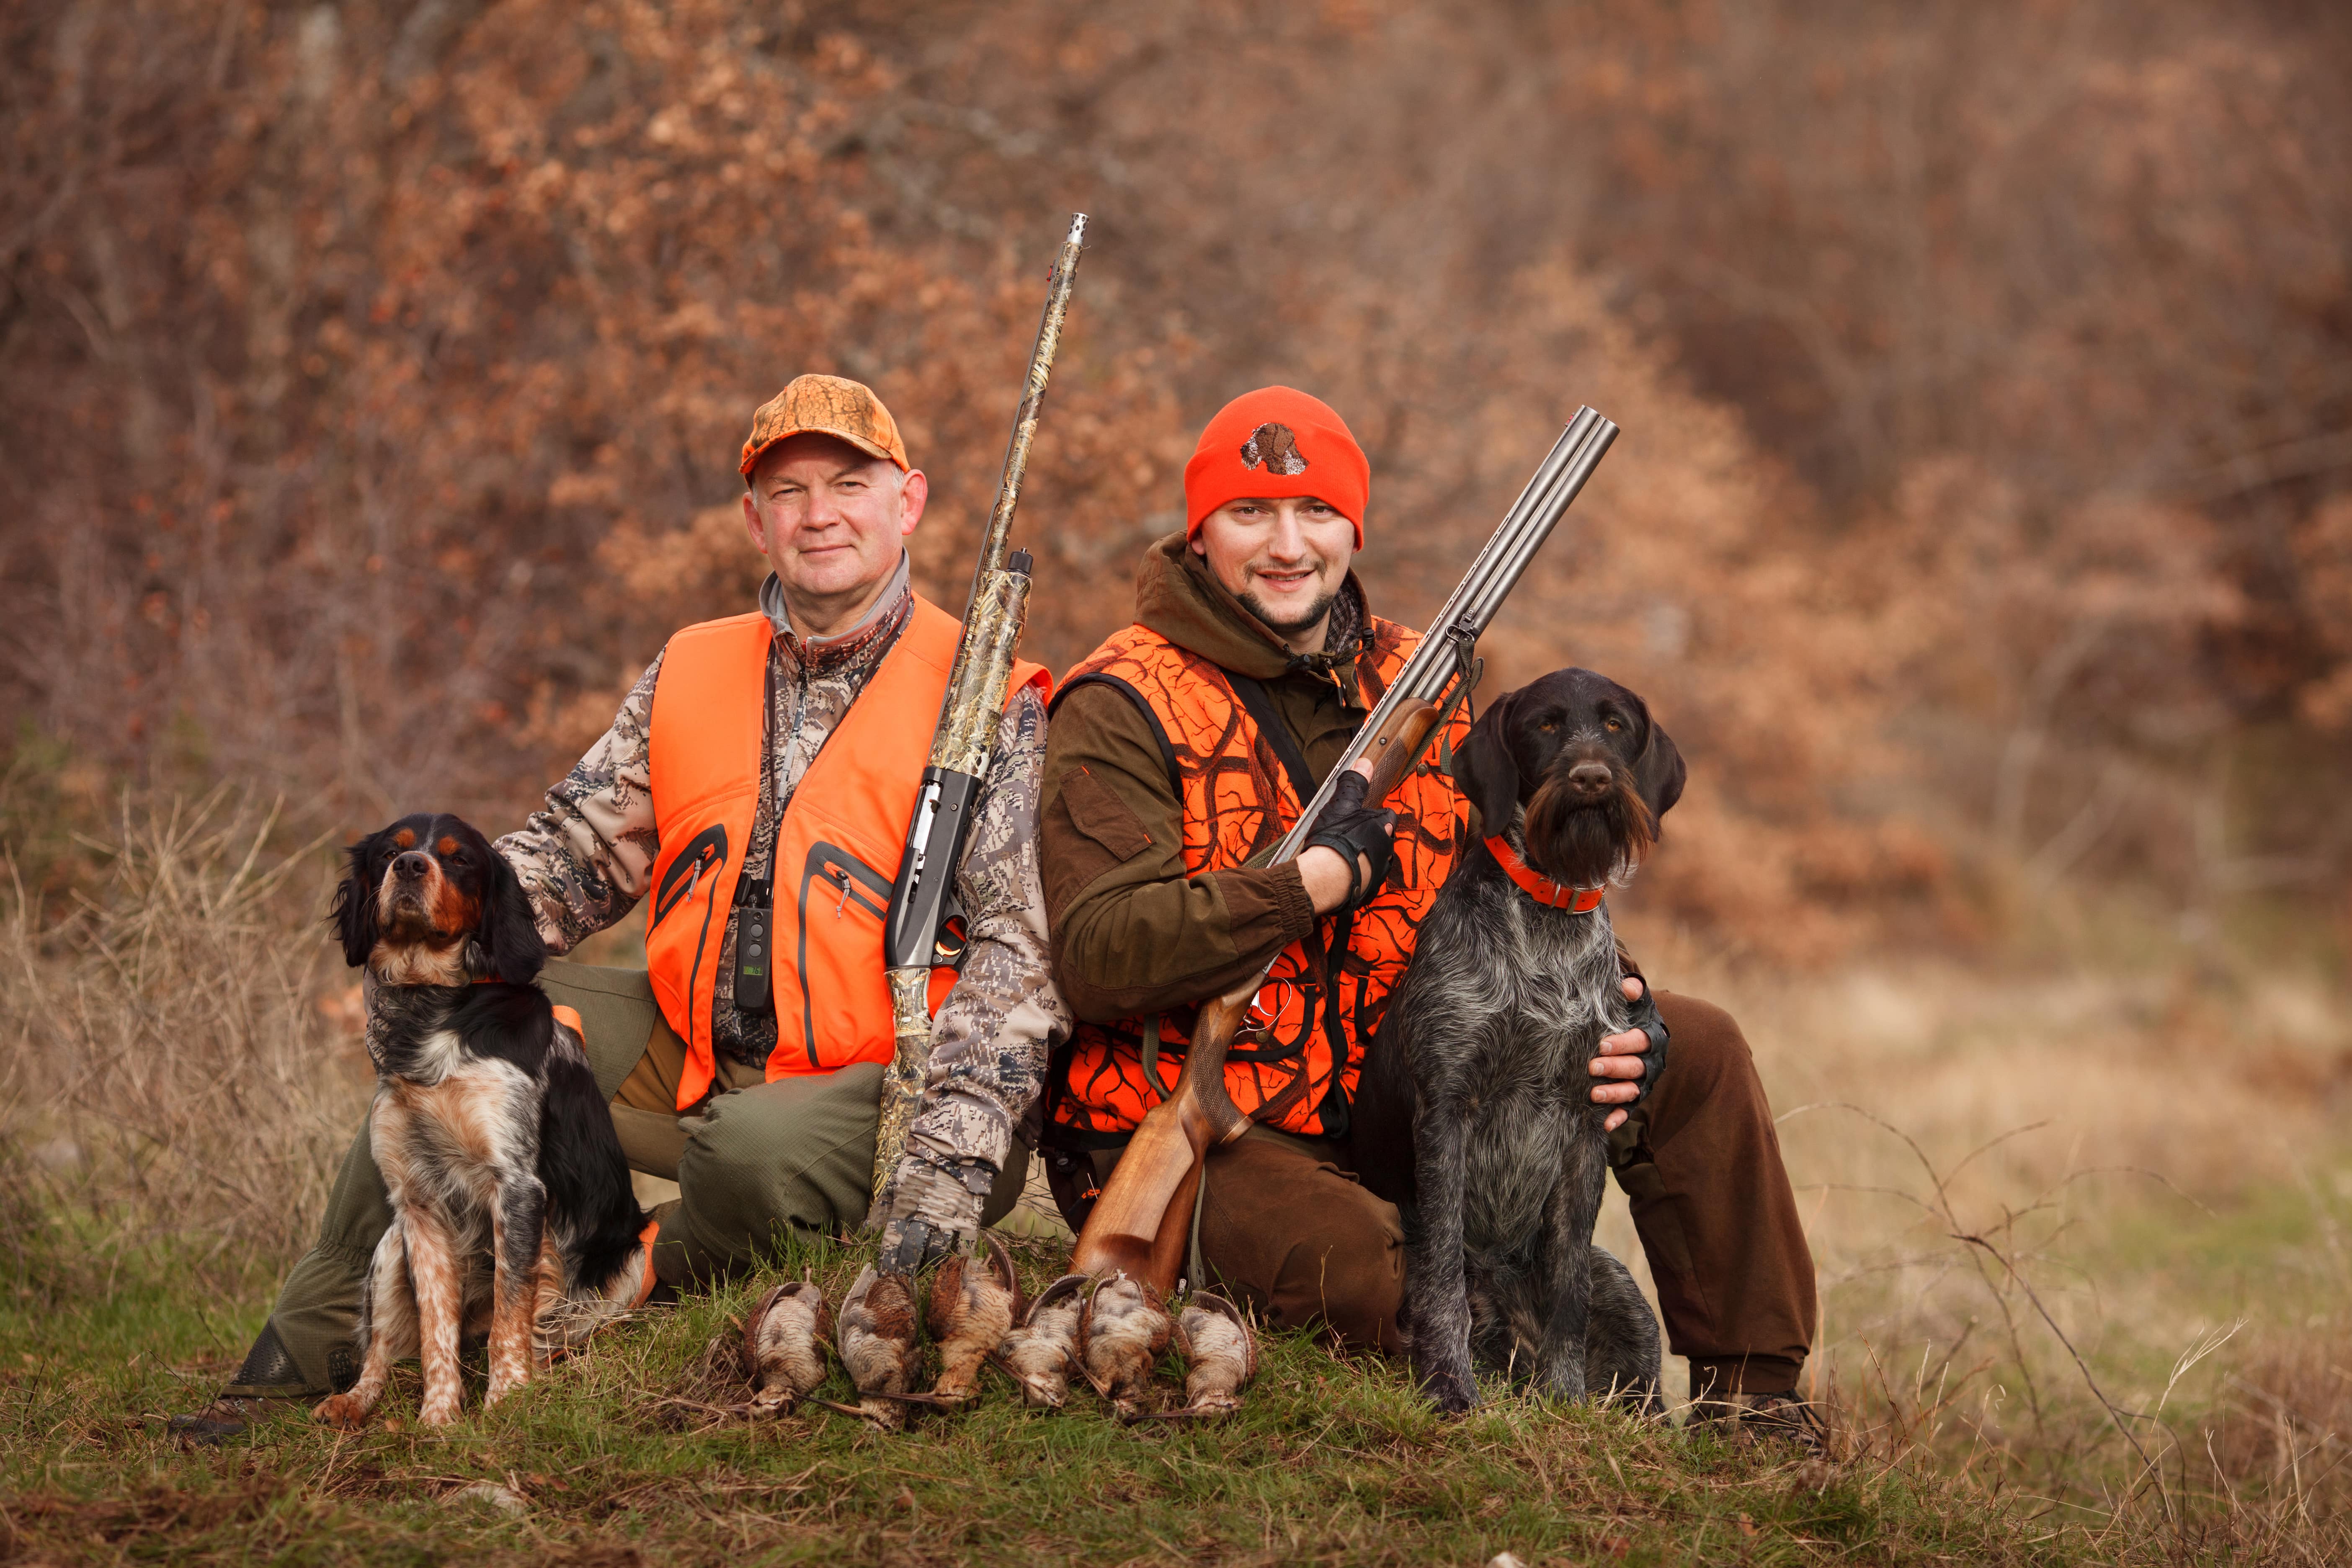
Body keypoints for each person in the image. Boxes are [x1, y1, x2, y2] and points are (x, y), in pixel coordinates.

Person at [175, 375, 1065, 1439]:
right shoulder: (691, 667)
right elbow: (572, 851)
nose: (818, 513)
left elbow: (1019, 956)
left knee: (746, 1156)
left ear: (908, 501)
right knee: (442, 1047)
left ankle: (621, 1270)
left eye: (848, 483)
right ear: (754, 520)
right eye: (787, 492)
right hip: (692, 1057)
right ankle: (308, 1350)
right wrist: (428, 942)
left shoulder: (988, 696)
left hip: (897, 1090)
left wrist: (953, 1158)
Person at [1037, 386, 1820, 1434]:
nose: (1286, 545)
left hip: (1400, 1090)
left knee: (1702, 1046)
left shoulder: (1420, 681)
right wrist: (1303, 885)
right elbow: (1096, 954)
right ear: (1199, 530)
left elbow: (1523, 876)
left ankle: (1756, 1406)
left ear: (1352, 530)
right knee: (1395, 1286)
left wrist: (1625, 1000)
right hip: (1221, 1121)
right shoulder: (1122, 698)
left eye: (1316, 514)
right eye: (1250, 514)